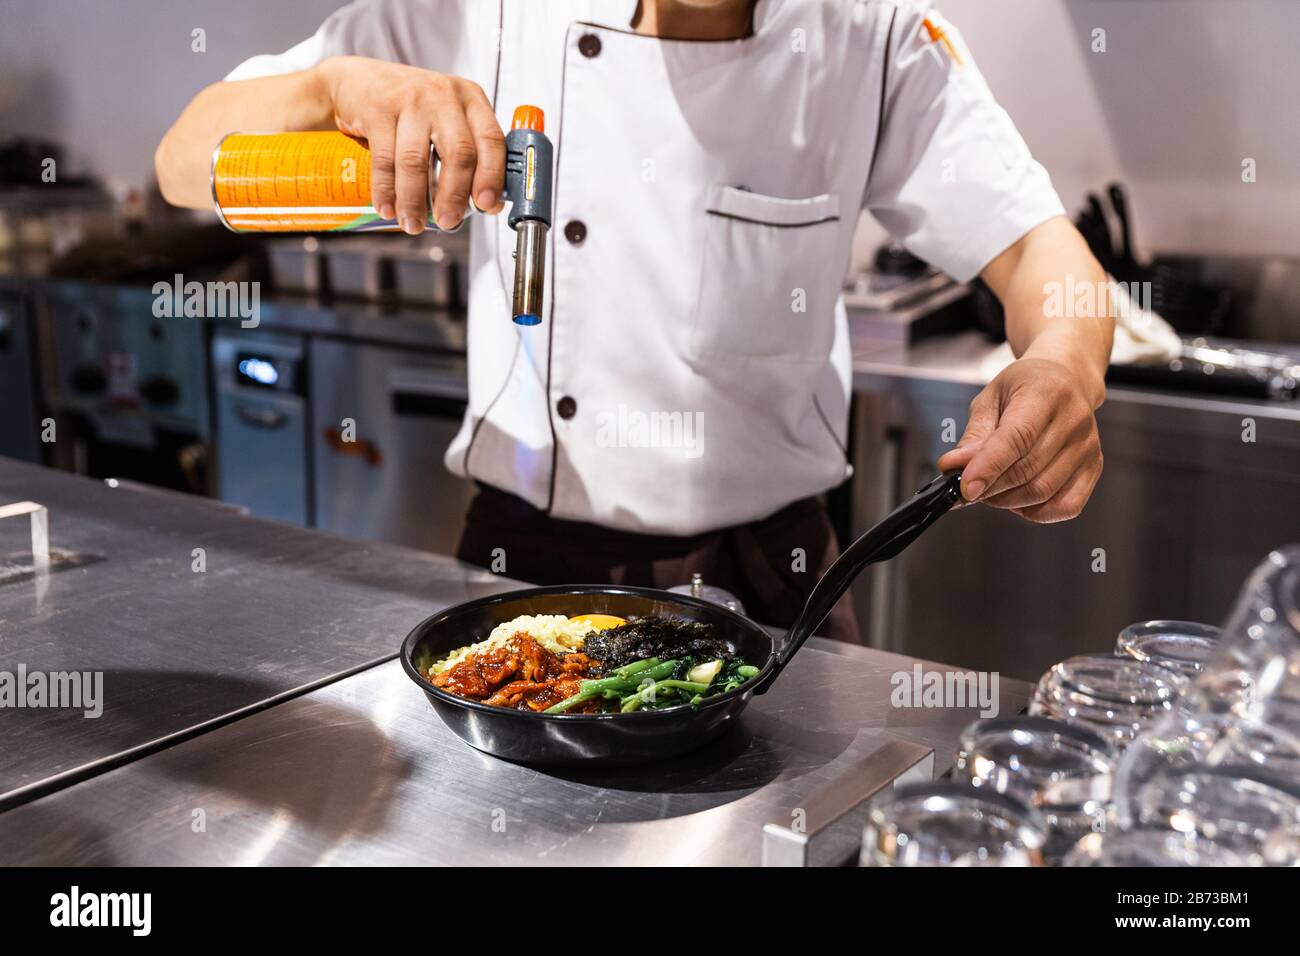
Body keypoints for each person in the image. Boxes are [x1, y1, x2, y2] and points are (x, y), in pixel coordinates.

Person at [156, 0, 1113, 642]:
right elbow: (185, 159)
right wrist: (332, 90)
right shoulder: (477, 13)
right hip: (525, 570)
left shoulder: (870, 32)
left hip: (775, 585)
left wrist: (1066, 366)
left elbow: (1039, 250)